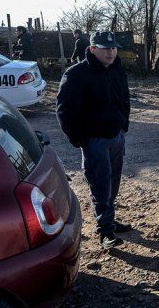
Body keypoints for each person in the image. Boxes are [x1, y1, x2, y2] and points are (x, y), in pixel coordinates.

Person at [56, 31, 132, 249]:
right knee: (100, 183)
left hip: (116, 136)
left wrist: (123, 124)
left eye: (114, 48)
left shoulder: (117, 69)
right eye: (105, 48)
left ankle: (109, 219)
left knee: (113, 182)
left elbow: (124, 98)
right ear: (92, 49)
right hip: (94, 140)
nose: (111, 52)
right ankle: (105, 232)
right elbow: (64, 110)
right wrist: (80, 139)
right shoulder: (77, 74)